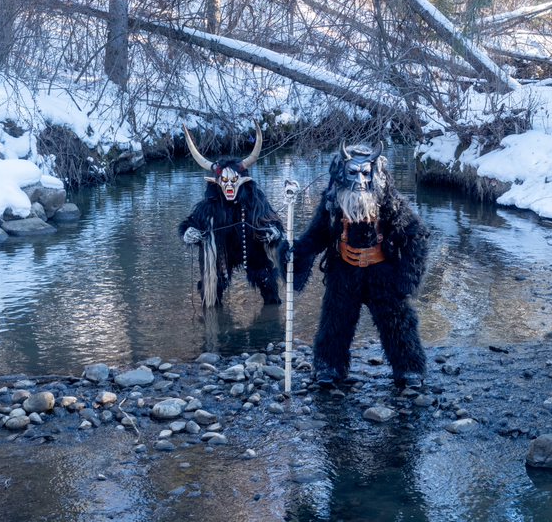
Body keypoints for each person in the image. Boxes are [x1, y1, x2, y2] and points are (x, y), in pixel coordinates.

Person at [290, 142, 429, 388]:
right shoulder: (333, 202)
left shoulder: (388, 201)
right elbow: (317, 235)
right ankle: (329, 366)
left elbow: (415, 234)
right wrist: (296, 253)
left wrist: (407, 279)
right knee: (335, 320)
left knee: (397, 321)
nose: (361, 180)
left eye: (366, 173)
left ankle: (409, 369)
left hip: (382, 271)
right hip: (344, 270)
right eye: (353, 173)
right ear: (343, 174)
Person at [179, 125, 283, 307]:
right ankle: (213, 328)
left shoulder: (254, 201)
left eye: (233, 181)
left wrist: (273, 233)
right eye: (224, 181)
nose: (229, 186)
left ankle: (271, 325)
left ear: (242, 181)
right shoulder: (210, 204)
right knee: (211, 291)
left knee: (268, 284)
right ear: (216, 182)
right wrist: (189, 232)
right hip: (221, 254)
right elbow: (192, 223)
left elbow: (272, 222)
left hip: (253, 250)